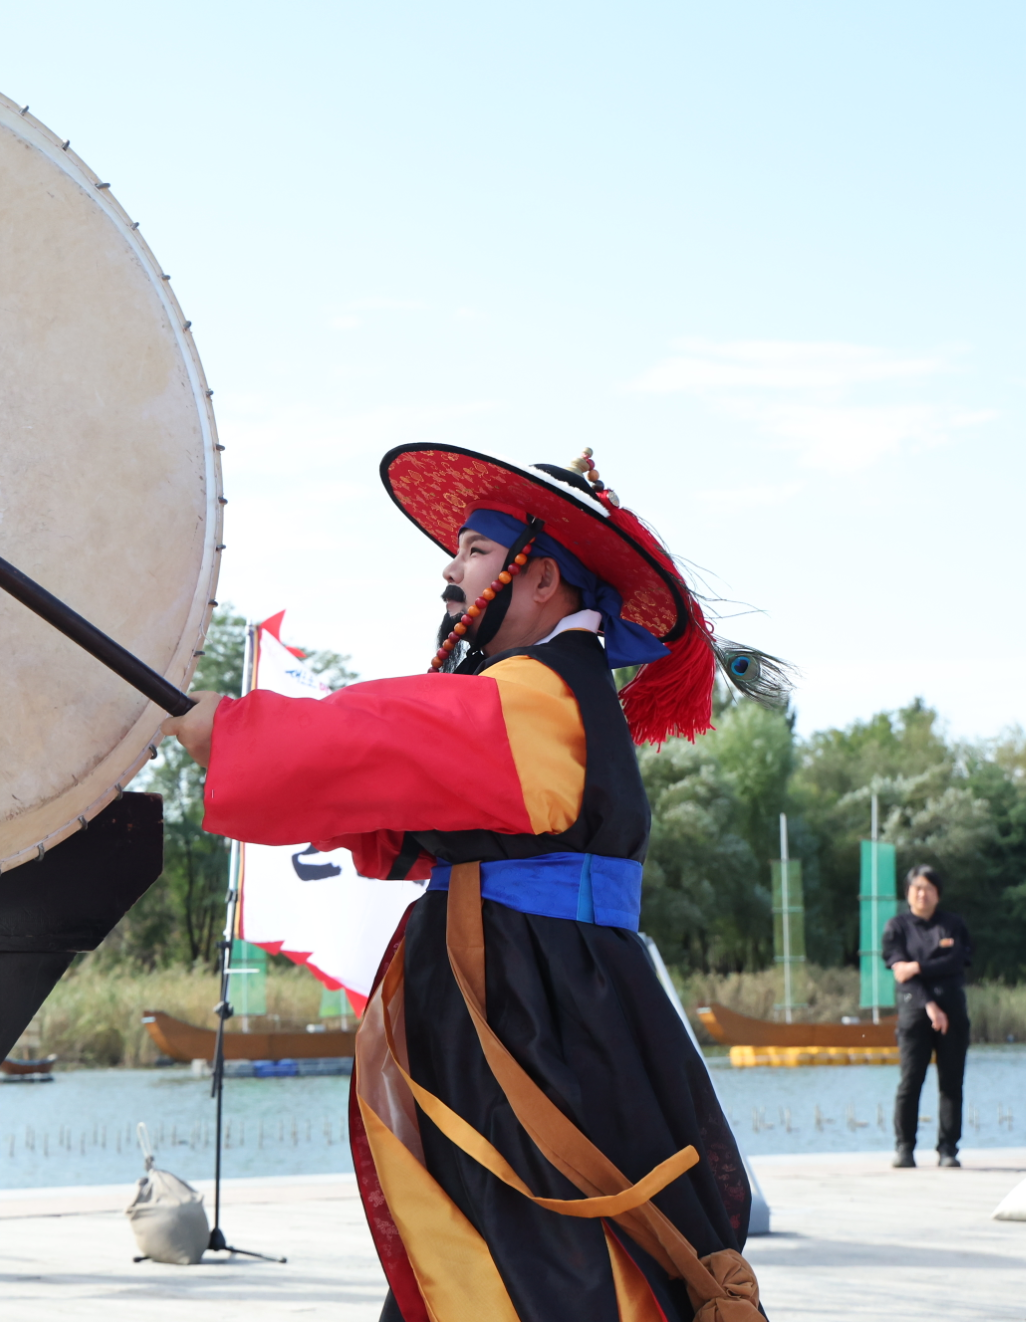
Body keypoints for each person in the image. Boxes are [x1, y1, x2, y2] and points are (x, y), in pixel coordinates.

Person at [161, 446, 771, 1322]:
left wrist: (230, 732)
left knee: (542, 1259)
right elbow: (408, 808)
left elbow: (376, 737)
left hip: (535, 1016)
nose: (450, 572)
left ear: (542, 578)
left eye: (476, 551)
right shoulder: (541, 690)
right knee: (518, 1248)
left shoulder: (535, 695)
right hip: (544, 1003)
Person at [882, 864, 973, 1170]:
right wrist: (930, 1005)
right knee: (910, 1082)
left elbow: (957, 960)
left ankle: (948, 1149)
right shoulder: (897, 927)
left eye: (929, 889)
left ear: (938, 894)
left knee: (951, 1083)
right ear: (908, 892)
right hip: (914, 1011)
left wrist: (918, 967)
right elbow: (900, 973)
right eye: (917, 888)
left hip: (953, 1011)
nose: (923, 894)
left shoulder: (953, 924)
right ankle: (904, 1147)